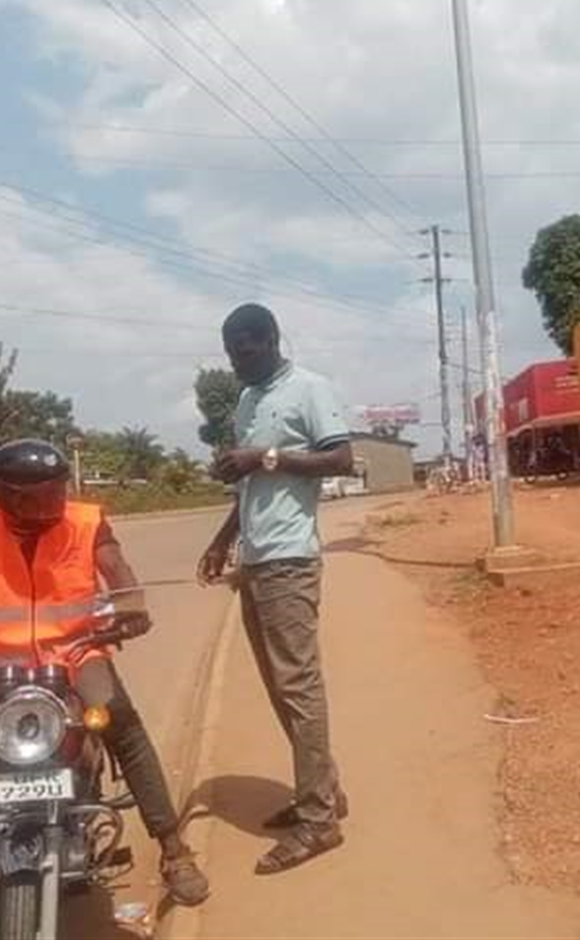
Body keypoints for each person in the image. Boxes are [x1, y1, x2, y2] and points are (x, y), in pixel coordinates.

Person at [0, 439, 210, 910]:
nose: (57, 500)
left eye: (59, 489)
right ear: (7, 496)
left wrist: (129, 606)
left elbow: (115, 566)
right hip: (1, 667)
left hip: (77, 655)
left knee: (119, 719)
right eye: (44, 494)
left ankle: (173, 849)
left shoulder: (86, 520)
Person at [197, 303, 355, 875]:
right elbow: (250, 488)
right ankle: (323, 792)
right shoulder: (245, 401)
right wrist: (222, 540)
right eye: (229, 353)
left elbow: (342, 457)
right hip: (257, 560)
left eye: (242, 351)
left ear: (267, 340)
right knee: (277, 685)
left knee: (299, 687)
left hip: (291, 560)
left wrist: (262, 456)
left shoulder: (310, 389)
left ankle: (318, 823)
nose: (235, 362)